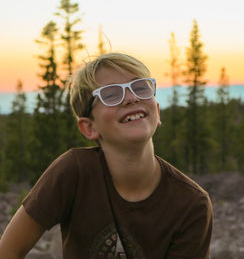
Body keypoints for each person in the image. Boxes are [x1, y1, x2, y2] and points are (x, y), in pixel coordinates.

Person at [0, 53, 213, 259]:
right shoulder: (74, 172)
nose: (131, 98)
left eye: (140, 87)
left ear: (156, 110)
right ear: (89, 127)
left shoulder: (191, 204)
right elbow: (7, 251)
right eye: (111, 94)